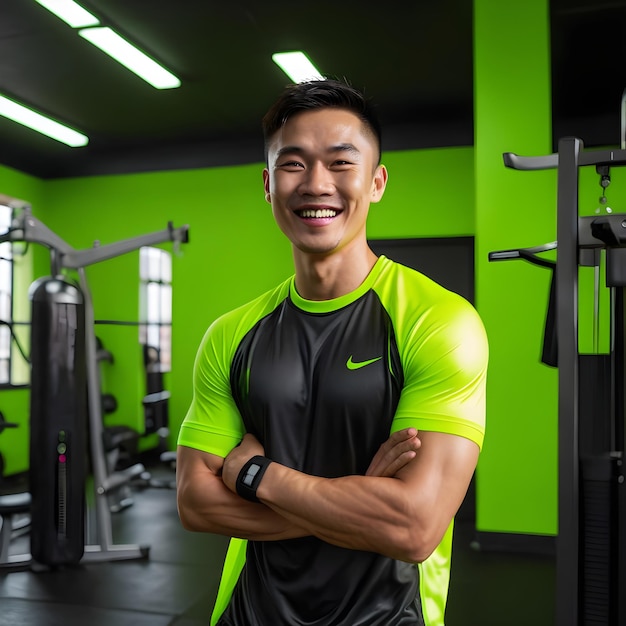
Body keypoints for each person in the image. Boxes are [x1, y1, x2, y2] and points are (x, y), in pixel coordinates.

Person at [176, 77, 488, 626]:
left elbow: (414, 528)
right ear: (268, 185)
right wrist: (361, 499)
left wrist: (255, 475)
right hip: (249, 612)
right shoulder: (232, 333)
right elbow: (195, 502)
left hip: (390, 613)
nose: (316, 183)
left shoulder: (438, 321)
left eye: (341, 163)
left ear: (377, 182)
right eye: (293, 164)